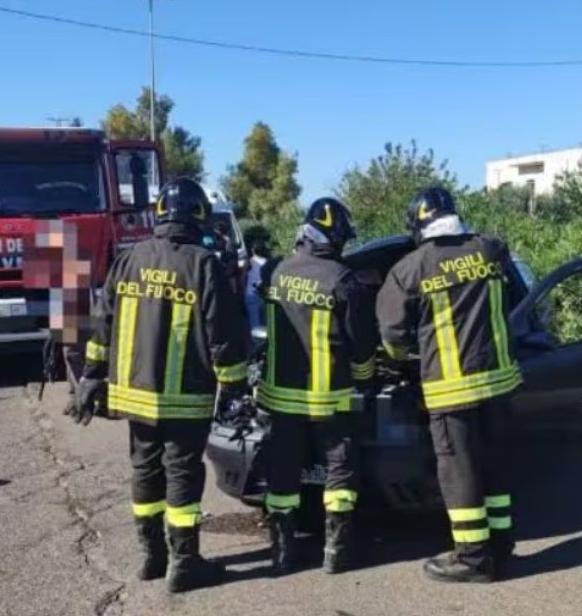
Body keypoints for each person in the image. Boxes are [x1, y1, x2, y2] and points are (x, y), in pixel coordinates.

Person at [70, 177, 248, 593]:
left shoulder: (128, 260)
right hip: (184, 397)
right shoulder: (202, 264)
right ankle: (184, 565)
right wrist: (235, 388)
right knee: (183, 473)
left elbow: (102, 326)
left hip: (134, 395)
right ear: (199, 215)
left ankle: (151, 557)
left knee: (145, 471)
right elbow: (223, 333)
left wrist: (92, 378)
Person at [376, 186, 524, 583]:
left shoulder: (409, 270)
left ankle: (473, 559)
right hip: (498, 383)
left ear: (419, 225)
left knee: (461, 472)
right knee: (494, 466)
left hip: (451, 389)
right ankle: (502, 546)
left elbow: (391, 336)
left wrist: (407, 357)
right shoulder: (492, 250)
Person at [256, 198, 377, 575]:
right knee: (340, 470)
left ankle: (282, 551)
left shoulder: (276, 272)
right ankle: (336, 552)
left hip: (281, 394)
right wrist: (366, 380)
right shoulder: (342, 278)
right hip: (330, 397)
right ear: (336, 236)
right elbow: (361, 344)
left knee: (283, 473)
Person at [244, 237, 271, 331]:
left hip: (251, 294)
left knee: (254, 324)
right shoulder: (268, 263)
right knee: (266, 323)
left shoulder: (248, 262)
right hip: (265, 295)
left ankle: (256, 343)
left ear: (253, 250)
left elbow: (243, 278)